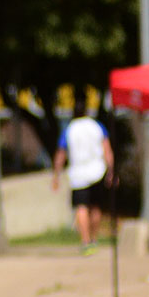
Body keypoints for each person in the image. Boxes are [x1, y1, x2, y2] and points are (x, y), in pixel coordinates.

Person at [52, 100, 113, 254]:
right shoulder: (97, 126)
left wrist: (56, 175)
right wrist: (111, 170)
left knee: (81, 208)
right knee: (95, 206)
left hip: (78, 174)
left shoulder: (70, 129)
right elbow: (107, 149)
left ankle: (85, 242)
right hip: (97, 171)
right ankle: (94, 239)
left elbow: (61, 153)